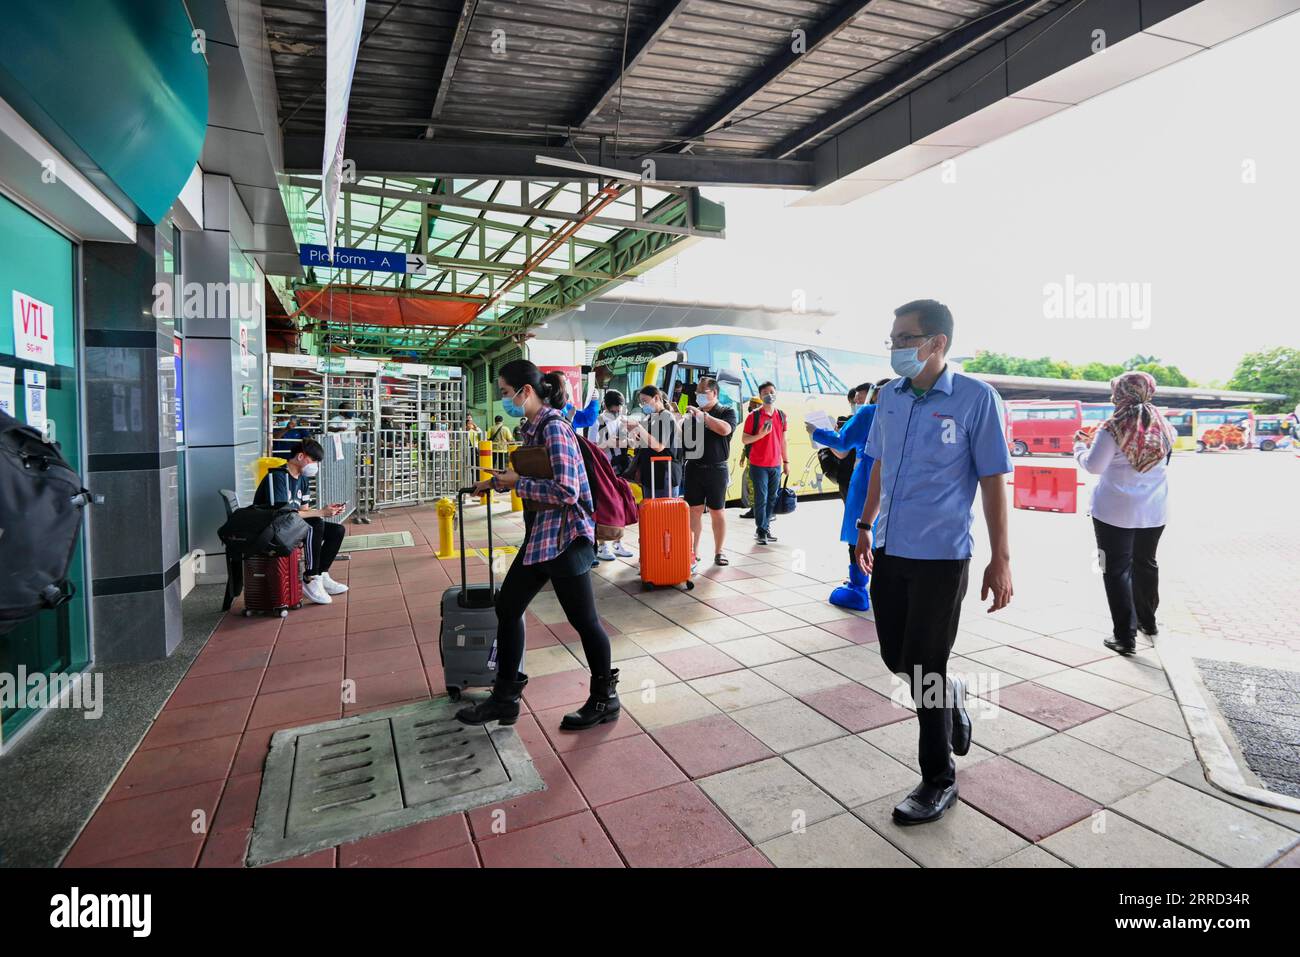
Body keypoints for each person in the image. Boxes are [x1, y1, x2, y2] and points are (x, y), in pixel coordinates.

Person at [855, 299, 1013, 826]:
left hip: (942, 557)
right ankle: (954, 694)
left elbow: (993, 478)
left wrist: (1001, 559)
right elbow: (877, 462)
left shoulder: (976, 399)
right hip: (888, 548)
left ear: (936, 343)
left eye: (905, 338)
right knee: (895, 659)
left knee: (924, 666)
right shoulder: (889, 397)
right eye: (893, 339)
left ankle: (938, 778)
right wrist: (863, 524)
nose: (896, 347)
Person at [456, 361, 618, 731]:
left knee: (585, 622)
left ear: (525, 391)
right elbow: (534, 475)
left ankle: (604, 698)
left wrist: (515, 483)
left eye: (504, 391)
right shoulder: (532, 428)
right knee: (508, 607)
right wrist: (498, 483)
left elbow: (567, 490)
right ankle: (505, 699)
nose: (503, 399)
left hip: (565, 540)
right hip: (542, 538)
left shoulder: (554, 429)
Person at [1073, 371, 1174, 655]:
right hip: (1154, 511)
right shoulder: (1165, 425)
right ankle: (1148, 621)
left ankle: (1124, 636)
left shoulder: (1112, 427)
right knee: (1146, 564)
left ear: (1120, 393)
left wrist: (1079, 446)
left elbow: (1094, 466)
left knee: (1115, 570)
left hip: (1114, 513)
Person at [809, 379, 887, 610]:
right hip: (901, 482)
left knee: (860, 531)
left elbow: (842, 442)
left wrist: (817, 432)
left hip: (867, 477)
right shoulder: (913, 414)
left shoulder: (870, 413)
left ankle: (858, 588)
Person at [254, 439, 348, 606]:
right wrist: (321, 513)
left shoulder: (302, 479)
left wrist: (327, 510)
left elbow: (304, 511)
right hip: (273, 529)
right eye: (313, 461)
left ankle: (322, 573)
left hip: (290, 526)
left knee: (337, 530)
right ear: (300, 456)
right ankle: (310, 577)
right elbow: (282, 514)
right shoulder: (278, 477)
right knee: (315, 524)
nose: (315, 466)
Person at [682, 376, 737, 569]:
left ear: (714, 393)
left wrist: (703, 416)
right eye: (696, 393)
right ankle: (693, 552)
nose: (698, 396)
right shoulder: (691, 415)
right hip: (694, 468)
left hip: (717, 469)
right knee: (694, 510)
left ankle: (719, 551)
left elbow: (725, 430)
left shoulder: (726, 411)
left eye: (702, 392)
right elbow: (683, 440)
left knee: (717, 511)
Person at [740, 381, 788, 544]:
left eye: (772, 391)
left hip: (775, 464)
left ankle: (766, 528)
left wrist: (786, 461)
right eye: (765, 392)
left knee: (772, 498)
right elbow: (745, 439)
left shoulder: (781, 415)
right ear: (760, 396)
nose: (769, 395)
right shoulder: (754, 416)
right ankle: (761, 530)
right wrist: (760, 435)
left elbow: (783, 441)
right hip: (758, 464)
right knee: (762, 497)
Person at [594, 390, 635, 561]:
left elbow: (632, 442)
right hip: (604, 469)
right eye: (614, 409)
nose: (617, 412)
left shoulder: (623, 420)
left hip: (621, 468)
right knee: (605, 508)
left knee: (621, 507)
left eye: (619, 409)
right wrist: (607, 443)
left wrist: (627, 440)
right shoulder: (598, 421)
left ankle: (618, 542)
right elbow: (593, 447)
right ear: (606, 406)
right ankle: (602, 545)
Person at [625, 385, 682, 498]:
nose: (643, 405)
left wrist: (638, 427)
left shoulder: (666, 416)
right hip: (650, 474)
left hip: (664, 474)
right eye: (641, 402)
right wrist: (634, 432)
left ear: (656, 398)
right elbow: (645, 441)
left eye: (645, 401)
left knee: (664, 512)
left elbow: (658, 446)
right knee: (651, 512)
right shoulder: (651, 418)